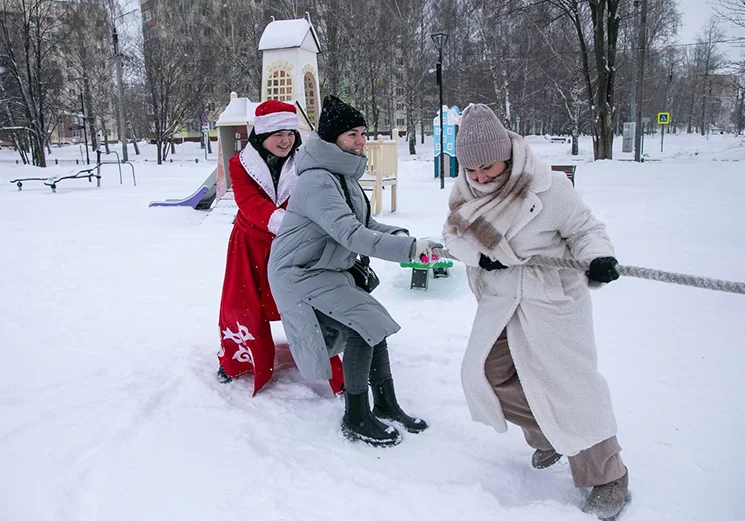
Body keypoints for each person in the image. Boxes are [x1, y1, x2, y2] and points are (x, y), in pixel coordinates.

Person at [442, 104, 628, 520]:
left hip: (552, 300)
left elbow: (585, 231)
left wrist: (598, 257)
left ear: (506, 153)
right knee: (484, 376)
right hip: (500, 301)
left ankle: (608, 475)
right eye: (471, 171)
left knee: (571, 389)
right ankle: (549, 430)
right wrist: (479, 254)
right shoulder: (465, 191)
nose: (480, 178)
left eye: (487, 167)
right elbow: (451, 235)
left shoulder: (547, 187)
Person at [268, 95, 441, 447]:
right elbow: (350, 234)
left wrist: (406, 238)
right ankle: (356, 415)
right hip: (299, 273)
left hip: (324, 270)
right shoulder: (317, 180)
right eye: (352, 134)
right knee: (365, 326)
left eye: (363, 132)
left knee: (373, 322)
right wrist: (408, 251)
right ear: (333, 139)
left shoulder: (342, 175)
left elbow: (365, 223)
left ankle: (386, 405)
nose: (362, 140)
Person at [218, 99, 344, 395]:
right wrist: (293, 222)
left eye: (290, 132)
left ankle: (327, 363)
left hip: (296, 247)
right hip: (249, 245)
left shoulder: (307, 162)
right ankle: (242, 359)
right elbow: (250, 204)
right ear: (262, 136)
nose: (286, 140)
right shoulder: (240, 165)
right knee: (243, 305)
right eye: (278, 134)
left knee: (307, 304)